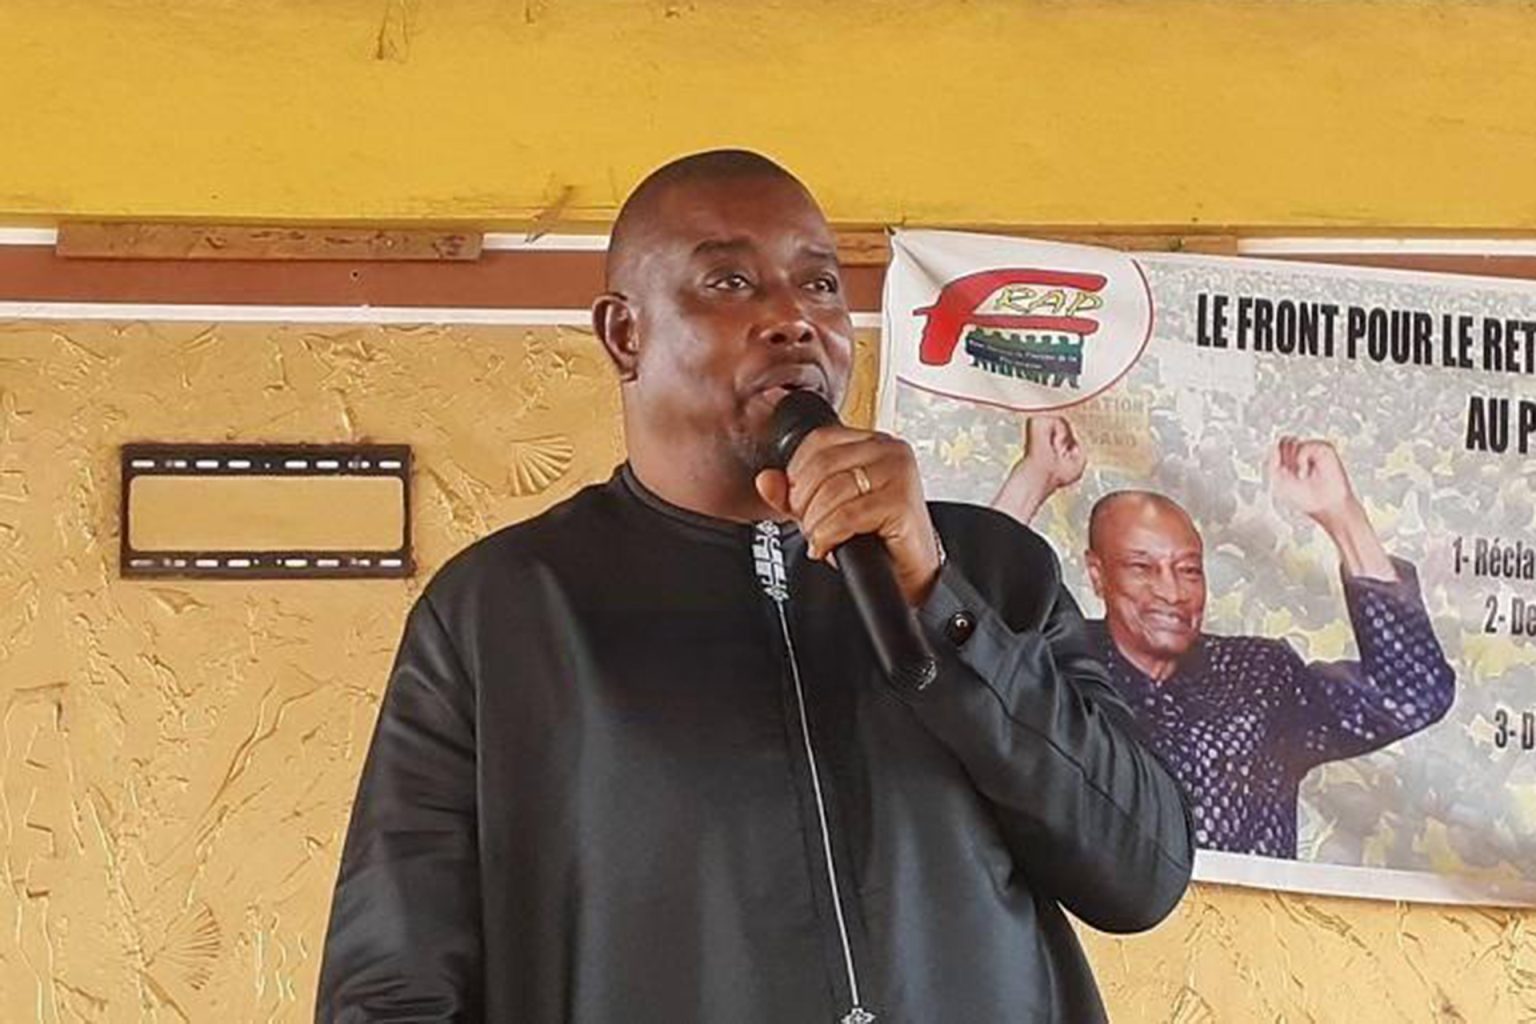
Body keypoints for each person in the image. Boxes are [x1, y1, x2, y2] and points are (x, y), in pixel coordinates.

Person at [316, 151, 1193, 1024]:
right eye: (731, 283)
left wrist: (939, 600)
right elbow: (392, 991)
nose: (794, 319)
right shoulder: (504, 612)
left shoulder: (993, 569)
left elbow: (1140, 873)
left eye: (821, 286)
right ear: (624, 335)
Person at [995, 415, 1456, 858]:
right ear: (1097, 575)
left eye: (1188, 570)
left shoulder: (1262, 676)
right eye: (1142, 568)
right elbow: (960, 641)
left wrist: (1342, 516)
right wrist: (1033, 480)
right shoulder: (1057, 666)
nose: (1171, 592)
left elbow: (1411, 693)